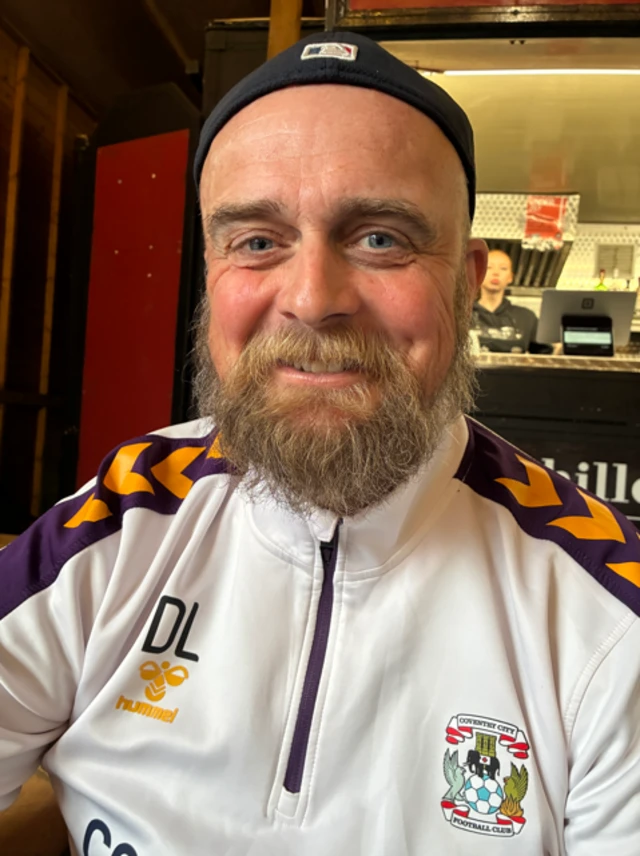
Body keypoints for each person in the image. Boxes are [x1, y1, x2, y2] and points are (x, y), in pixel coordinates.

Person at [0, 31, 638, 856]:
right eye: (257, 241)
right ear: (211, 273)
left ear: (469, 282)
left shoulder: (604, 613)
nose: (311, 299)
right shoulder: (122, 515)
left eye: (380, 237)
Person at [471, 248, 546, 353]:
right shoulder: (460, 315)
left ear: (510, 277)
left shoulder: (526, 317)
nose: (496, 272)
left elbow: (546, 356)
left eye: (503, 268)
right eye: (489, 267)